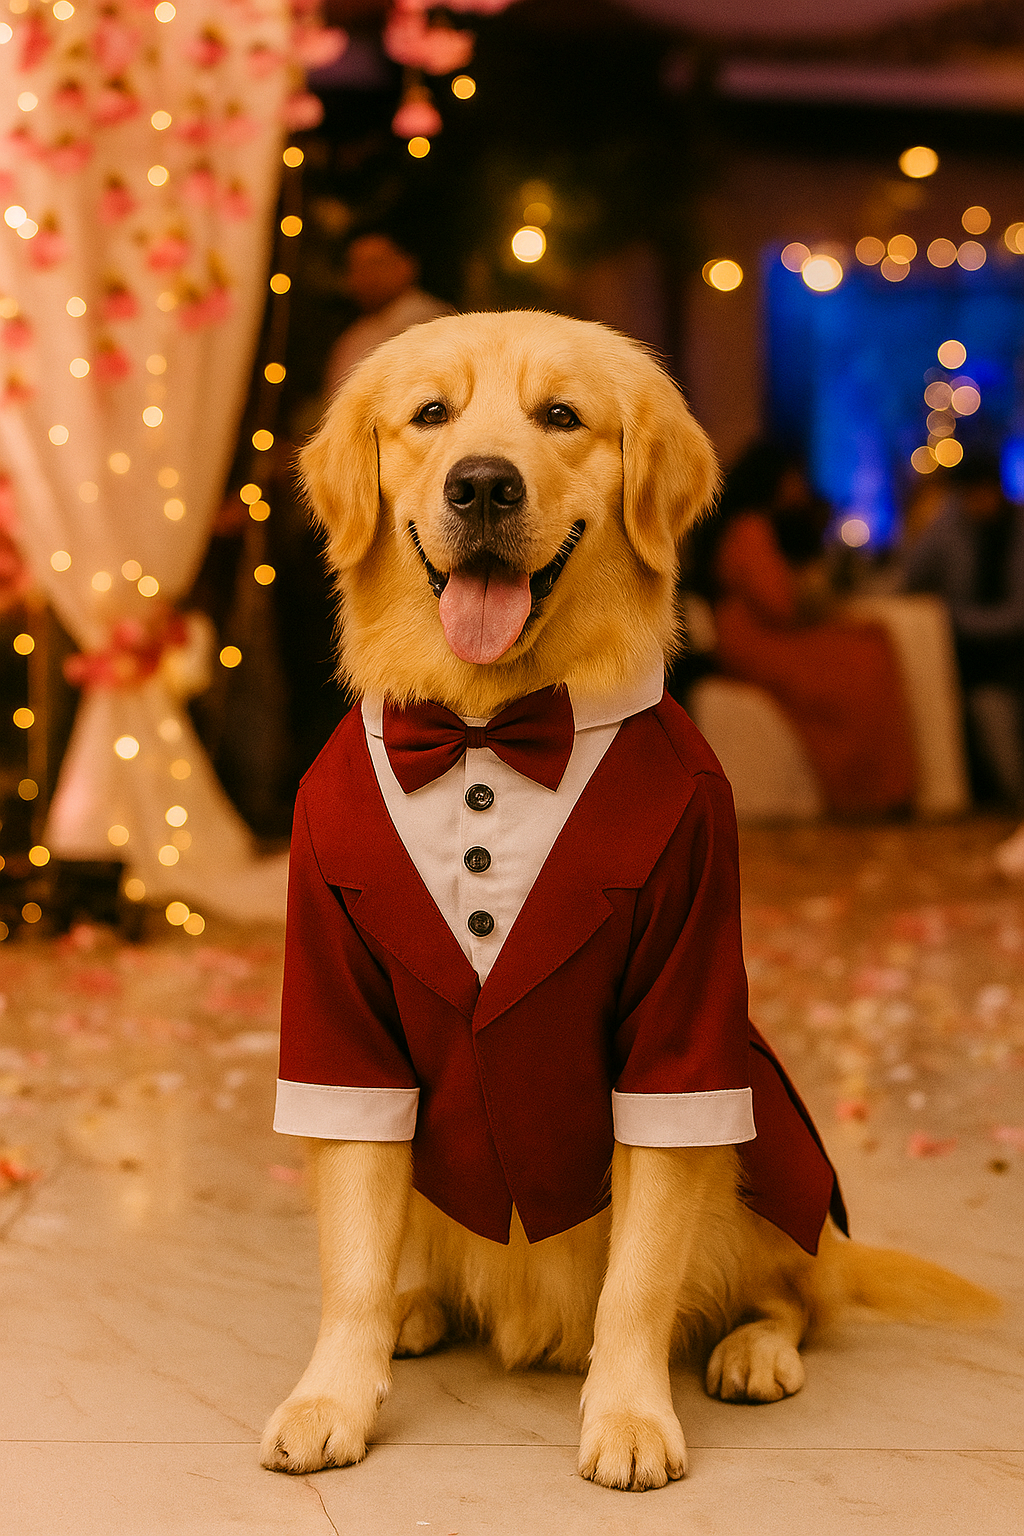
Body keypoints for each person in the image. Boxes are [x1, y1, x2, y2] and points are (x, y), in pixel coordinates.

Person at [689, 441, 916, 816]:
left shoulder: (755, 526)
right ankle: (870, 790)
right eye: (794, 477)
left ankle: (878, 787)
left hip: (762, 632)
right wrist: (806, 589)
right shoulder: (750, 529)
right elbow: (778, 604)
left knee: (871, 639)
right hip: (757, 639)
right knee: (863, 659)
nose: (800, 487)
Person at [902, 453, 1024, 808]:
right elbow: (910, 576)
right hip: (968, 659)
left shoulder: (1017, 532)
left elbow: (1018, 616)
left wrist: (953, 620)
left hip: (1011, 654)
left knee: (992, 711)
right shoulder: (952, 527)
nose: (976, 502)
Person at [323, 229, 454, 394]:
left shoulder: (432, 321)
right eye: (356, 266)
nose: (365, 275)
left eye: (375, 263)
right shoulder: (358, 332)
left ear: (406, 266)